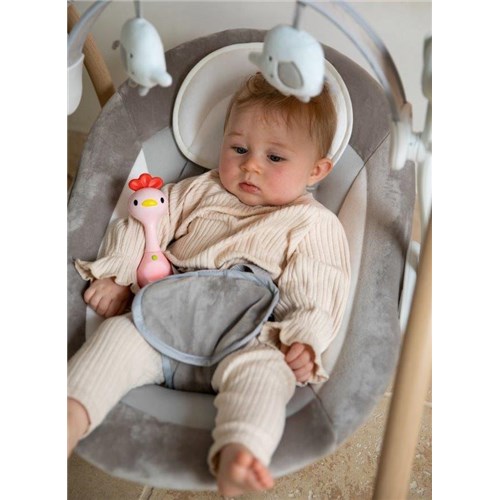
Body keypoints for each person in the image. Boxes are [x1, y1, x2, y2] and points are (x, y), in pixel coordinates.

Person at [67, 72, 351, 497]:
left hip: (247, 334)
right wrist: (119, 272)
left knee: (268, 372)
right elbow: (143, 223)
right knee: (116, 339)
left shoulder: (312, 222)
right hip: (167, 315)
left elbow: (321, 286)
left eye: (275, 157)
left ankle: (240, 452)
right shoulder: (199, 191)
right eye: (239, 148)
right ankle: (69, 416)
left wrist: (303, 338)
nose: (251, 165)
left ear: (316, 169)